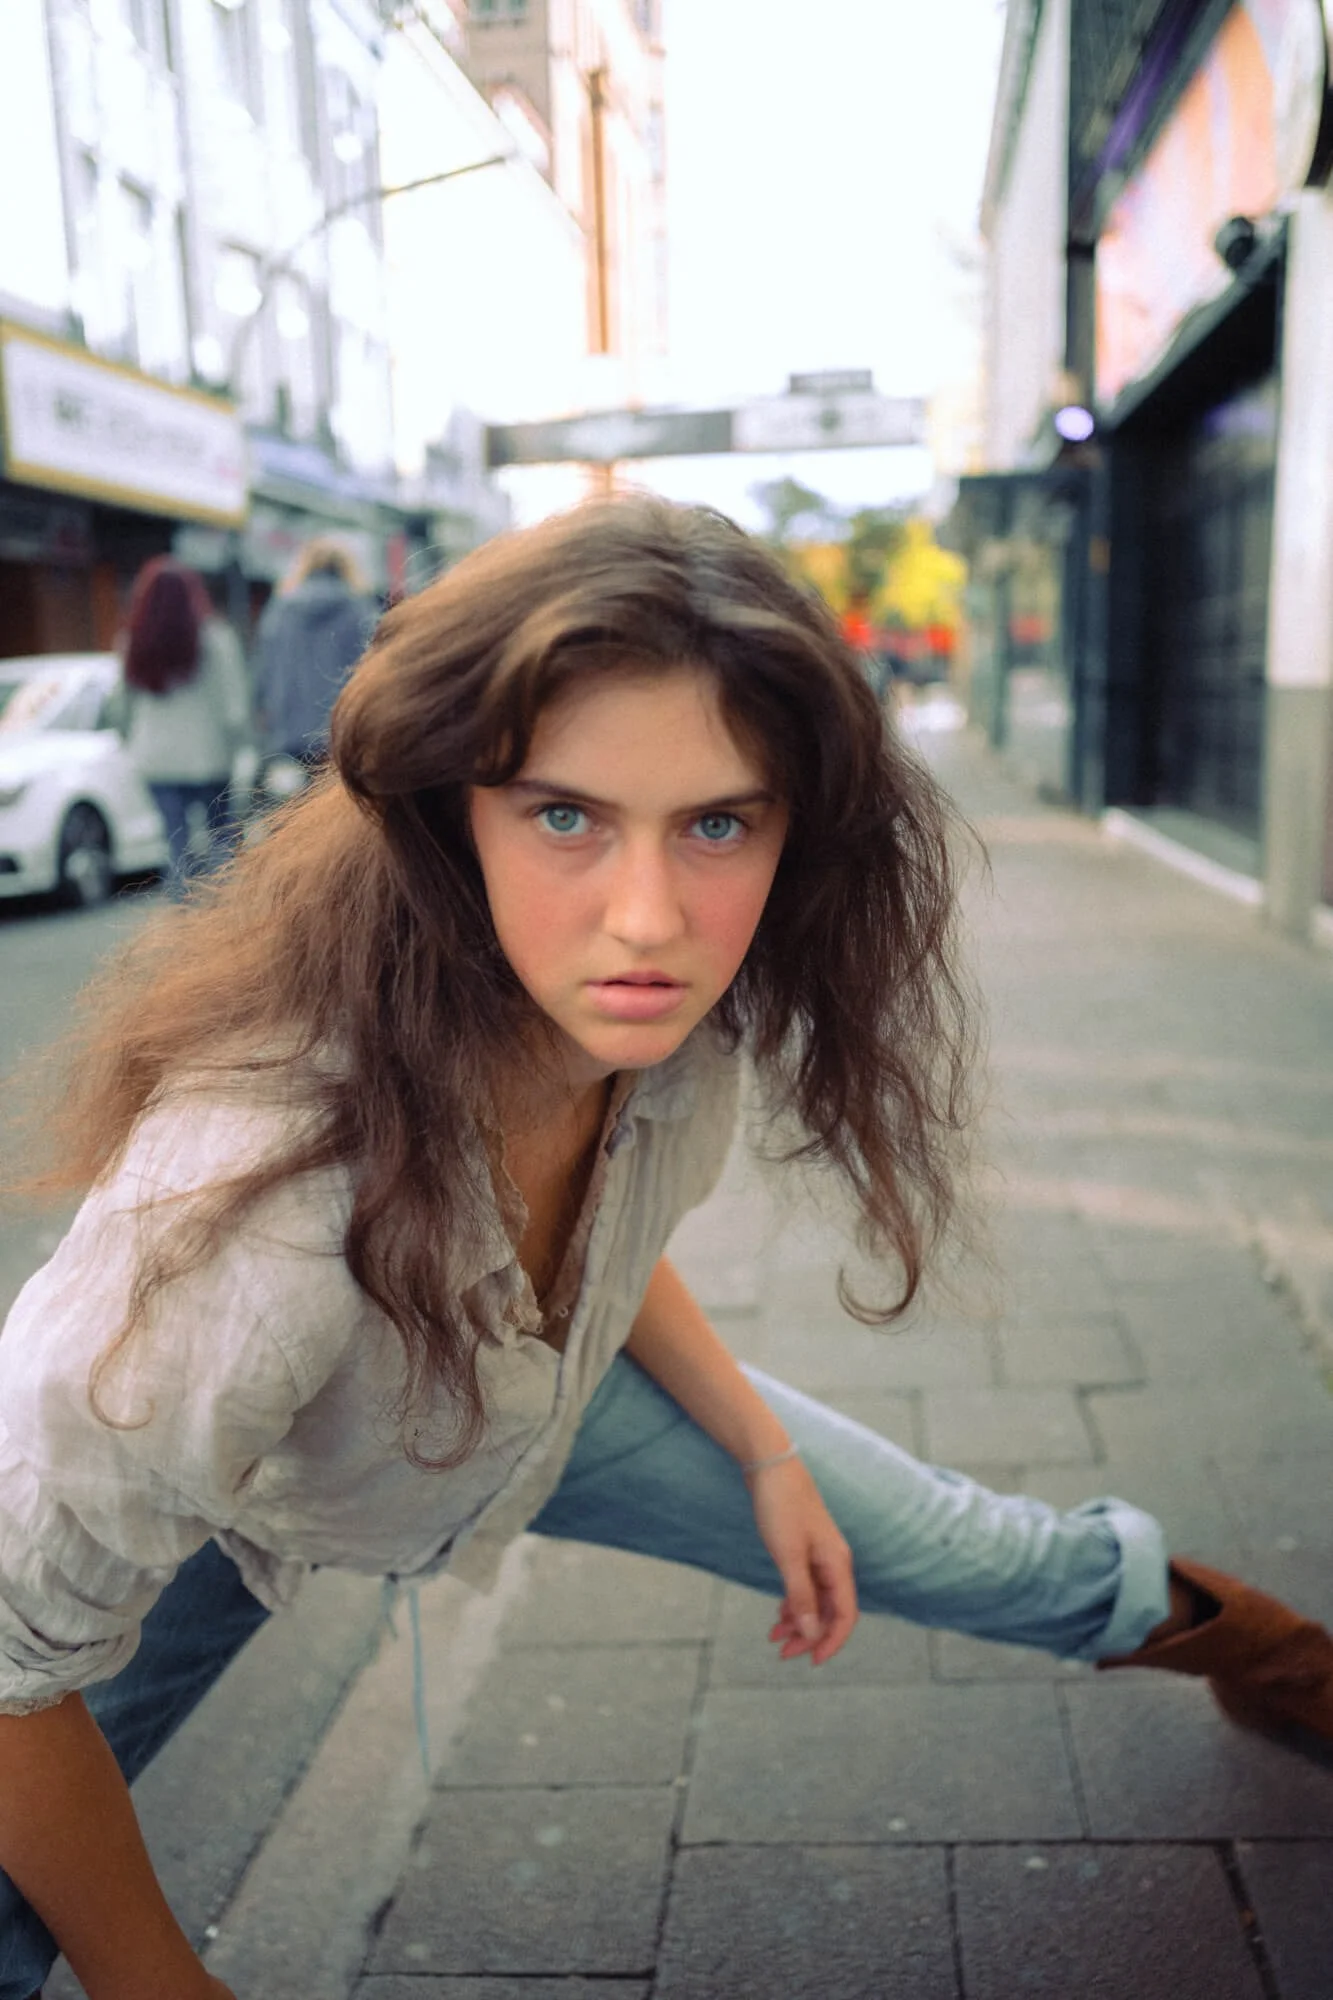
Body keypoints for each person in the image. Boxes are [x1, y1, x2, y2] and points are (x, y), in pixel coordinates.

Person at [0, 498, 1329, 2000]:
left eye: (717, 821)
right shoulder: (249, 1218)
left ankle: (1290, 1662)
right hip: (249, 1504)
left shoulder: (666, 1031)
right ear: (451, 814)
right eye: (563, 813)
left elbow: (590, 1248)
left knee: (960, 1547)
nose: (649, 918)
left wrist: (763, 1455)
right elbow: (3, 1665)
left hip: (541, 1400)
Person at [120, 558, 251, 895]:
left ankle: (180, 927)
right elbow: (234, 710)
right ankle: (224, 924)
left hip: (157, 761)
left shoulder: (132, 642)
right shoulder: (216, 640)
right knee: (221, 841)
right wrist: (244, 750)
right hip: (209, 758)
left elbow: (122, 707)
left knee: (176, 847)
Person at [252, 537, 377, 771]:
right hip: (342, 733)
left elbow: (263, 670)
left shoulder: (280, 611)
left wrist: (263, 711)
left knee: (294, 803)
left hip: (288, 732)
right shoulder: (360, 611)